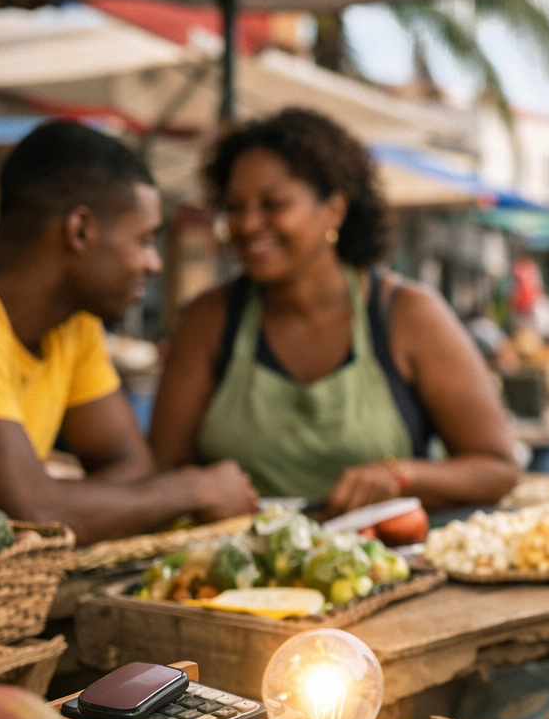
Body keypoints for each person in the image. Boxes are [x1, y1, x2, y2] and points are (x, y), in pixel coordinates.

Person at [0, 121, 258, 543]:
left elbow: (131, 467)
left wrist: (62, 501)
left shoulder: (72, 319)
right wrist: (190, 490)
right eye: (143, 240)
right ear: (80, 230)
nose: (154, 264)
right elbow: (31, 513)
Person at [149, 109, 519, 514]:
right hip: (238, 555)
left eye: (273, 204)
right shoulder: (209, 319)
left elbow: (497, 469)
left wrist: (399, 476)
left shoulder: (408, 315)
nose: (248, 224)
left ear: (335, 210)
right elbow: (164, 471)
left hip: (386, 552)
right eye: (235, 207)